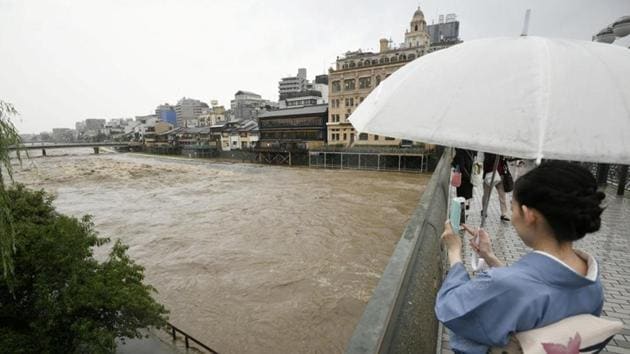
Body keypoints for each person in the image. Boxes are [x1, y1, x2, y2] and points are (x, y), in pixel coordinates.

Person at [435, 161, 605, 353]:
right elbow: (529, 285)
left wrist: (454, 252)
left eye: (513, 206)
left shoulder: (506, 285)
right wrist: (489, 257)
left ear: (528, 214)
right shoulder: (591, 281)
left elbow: (451, 308)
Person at [482, 153, 510, 221]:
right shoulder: (490, 151)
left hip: (501, 175)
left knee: (502, 195)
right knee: (486, 195)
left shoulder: (502, 151)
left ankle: (504, 213)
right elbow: (487, 162)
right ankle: (484, 210)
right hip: (490, 175)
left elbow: (506, 161)